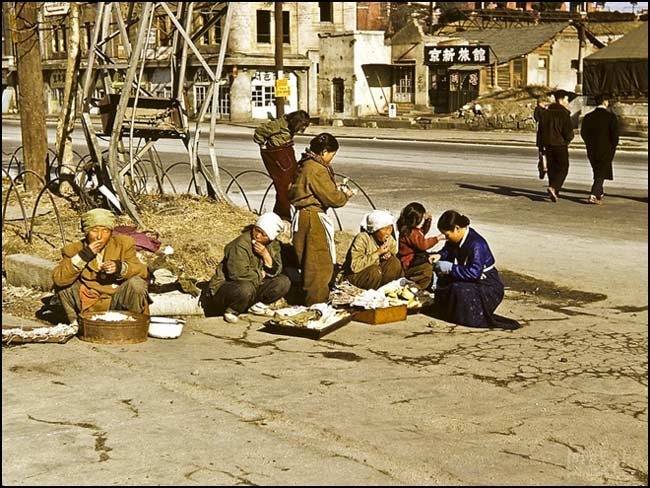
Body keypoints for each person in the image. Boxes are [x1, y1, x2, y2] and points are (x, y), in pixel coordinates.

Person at [288, 133, 354, 305]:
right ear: (324, 151)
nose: (332, 158)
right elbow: (333, 199)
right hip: (312, 219)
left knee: (310, 263)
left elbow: (310, 187)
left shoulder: (306, 163)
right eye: (332, 154)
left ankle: (312, 301)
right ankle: (316, 306)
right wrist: (345, 195)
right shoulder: (316, 168)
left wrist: (333, 186)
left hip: (304, 217)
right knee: (318, 266)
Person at [52, 208, 150, 324]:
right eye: (94, 230)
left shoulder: (123, 244)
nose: (99, 236)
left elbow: (142, 271)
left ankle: (133, 325)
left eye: (105, 231)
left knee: (137, 284)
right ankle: (77, 325)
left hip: (117, 298)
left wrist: (120, 268)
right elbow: (59, 279)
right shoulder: (74, 249)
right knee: (64, 285)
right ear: (86, 232)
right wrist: (84, 256)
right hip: (89, 302)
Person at [430, 210, 520, 330]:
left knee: (458, 289)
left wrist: (451, 268)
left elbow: (474, 273)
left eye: (447, 235)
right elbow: (448, 249)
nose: (446, 238)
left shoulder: (476, 244)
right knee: (445, 283)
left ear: (457, 228)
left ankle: (470, 317)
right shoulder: (457, 239)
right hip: (473, 278)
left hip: (488, 285)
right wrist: (440, 255)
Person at [202, 212, 290, 323]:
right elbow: (238, 275)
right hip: (227, 288)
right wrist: (261, 274)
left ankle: (258, 307)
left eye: (263, 234)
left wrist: (266, 256)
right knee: (245, 288)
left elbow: (277, 269)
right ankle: (232, 310)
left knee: (283, 282)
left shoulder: (273, 245)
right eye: (257, 230)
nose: (258, 235)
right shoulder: (240, 245)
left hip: (253, 284)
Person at [253, 110, 311, 220]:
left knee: (293, 180)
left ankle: (280, 211)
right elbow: (259, 132)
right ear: (296, 122)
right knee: (283, 186)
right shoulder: (277, 125)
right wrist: (263, 145)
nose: (301, 130)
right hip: (277, 155)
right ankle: (284, 214)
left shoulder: (289, 126)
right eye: (301, 126)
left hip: (286, 151)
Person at [342, 210, 404, 290]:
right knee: (374, 271)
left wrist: (388, 255)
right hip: (358, 276)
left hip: (378, 276)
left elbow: (394, 254)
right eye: (385, 230)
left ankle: (384, 291)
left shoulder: (389, 240)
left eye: (390, 229)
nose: (388, 233)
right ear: (375, 230)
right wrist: (377, 253)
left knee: (394, 262)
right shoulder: (362, 238)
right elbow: (355, 267)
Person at [580, 94, 619, 205]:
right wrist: (612, 146)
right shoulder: (611, 117)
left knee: (597, 170)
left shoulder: (588, 117)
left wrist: (589, 143)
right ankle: (593, 194)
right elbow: (615, 135)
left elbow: (583, 133)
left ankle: (599, 192)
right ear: (605, 102)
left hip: (592, 148)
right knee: (601, 171)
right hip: (606, 148)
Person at [397, 202, 445, 291]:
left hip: (415, 258)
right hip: (410, 262)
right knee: (427, 269)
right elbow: (423, 245)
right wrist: (437, 238)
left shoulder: (413, 230)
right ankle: (418, 287)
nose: (423, 220)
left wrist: (428, 221)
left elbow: (422, 233)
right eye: (422, 218)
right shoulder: (410, 232)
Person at [539, 89, 575, 202]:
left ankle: (554, 191)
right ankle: (554, 187)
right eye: (566, 100)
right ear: (561, 99)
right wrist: (568, 140)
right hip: (560, 144)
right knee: (563, 167)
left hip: (548, 145)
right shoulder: (564, 114)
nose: (567, 102)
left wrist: (541, 147)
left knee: (552, 168)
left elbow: (540, 131)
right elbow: (568, 132)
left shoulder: (545, 113)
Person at [533, 95, 552, 180]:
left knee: (542, 151)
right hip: (544, 134)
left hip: (541, 134)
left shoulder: (539, 111)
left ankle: (544, 166)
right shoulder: (541, 111)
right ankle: (544, 166)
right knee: (543, 151)